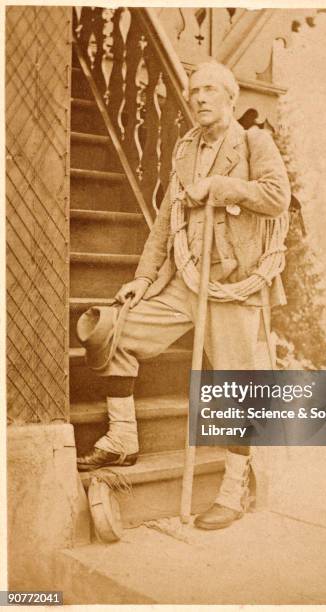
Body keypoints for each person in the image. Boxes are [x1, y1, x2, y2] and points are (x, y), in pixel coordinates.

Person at [77, 60, 291, 530]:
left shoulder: (253, 142)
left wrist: (221, 186)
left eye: (210, 89)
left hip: (234, 287)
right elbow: (162, 225)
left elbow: (277, 196)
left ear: (230, 97)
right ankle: (123, 438)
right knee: (116, 330)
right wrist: (143, 279)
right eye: (194, 90)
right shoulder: (185, 148)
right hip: (184, 282)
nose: (198, 98)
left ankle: (233, 491)